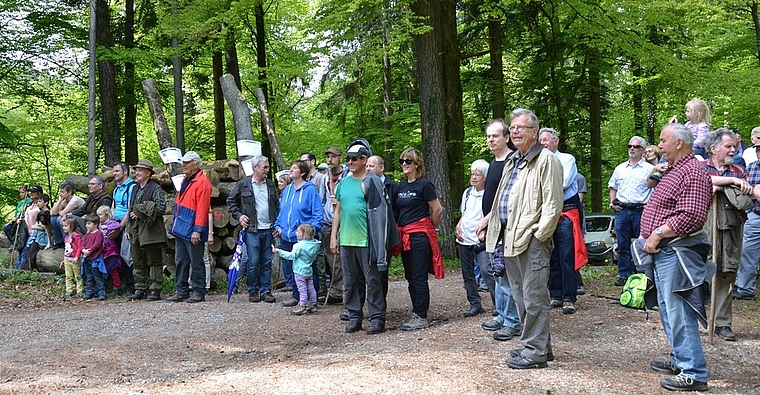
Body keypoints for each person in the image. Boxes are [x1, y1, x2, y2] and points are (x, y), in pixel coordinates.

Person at [480, 108, 563, 370]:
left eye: (521, 128)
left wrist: (540, 236)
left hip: (531, 240)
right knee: (521, 297)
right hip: (510, 238)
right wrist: (490, 223)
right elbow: (501, 199)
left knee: (534, 297)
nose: (514, 132)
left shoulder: (546, 160)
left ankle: (535, 352)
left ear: (535, 133)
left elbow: (552, 204)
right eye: (512, 128)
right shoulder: (513, 160)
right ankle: (539, 347)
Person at [639, 123, 712, 391]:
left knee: (679, 311)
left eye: (663, 141)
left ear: (679, 143)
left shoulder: (692, 171)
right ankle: (681, 360)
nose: (659, 146)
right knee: (669, 310)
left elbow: (692, 215)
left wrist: (657, 234)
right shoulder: (675, 170)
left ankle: (694, 372)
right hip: (666, 252)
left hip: (678, 251)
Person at [331, 142, 396, 335]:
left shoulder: (371, 181)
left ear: (364, 160)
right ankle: (354, 316)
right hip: (347, 240)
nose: (350, 162)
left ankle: (377, 318)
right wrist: (334, 237)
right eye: (348, 159)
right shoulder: (343, 182)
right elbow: (338, 211)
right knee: (350, 281)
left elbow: (380, 213)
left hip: (367, 240)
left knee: (373, 280)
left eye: (354, 159)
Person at [702, 128, 753, 341]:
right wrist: (729, 183)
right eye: (728, 146)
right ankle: (700, 320)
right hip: (704, 228)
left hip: (731, 228)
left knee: (727, 272)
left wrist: (722, 185)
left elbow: (748, 196)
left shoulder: (739, 171)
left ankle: (723, 323)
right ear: (713, 149)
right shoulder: (700, 167)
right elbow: (701, 183)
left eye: (734, 146)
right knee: (701, 271)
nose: (734, 149)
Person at [477, 119, 522, 342]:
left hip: (507, 227)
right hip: (494, 227)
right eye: (488, 136)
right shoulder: (494, 163)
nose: (491, 140)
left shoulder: (512, 162)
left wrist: (486, 220)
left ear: (507, 137)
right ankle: (503, 316)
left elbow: (506, 199)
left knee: (507, 276)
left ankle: (512, 321)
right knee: (497, 273)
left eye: (495, 136)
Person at [394, 147, 444, 331]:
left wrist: (429, 225)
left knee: (419, 276)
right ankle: (416, 310)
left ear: (417, 164)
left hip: (419, 237)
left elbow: (438, 210)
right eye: (402, 161)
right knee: (410, 277)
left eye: (408, 161)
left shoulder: (424, 185)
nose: (404, 165)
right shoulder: (401, 185)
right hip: (405, 236)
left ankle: (421, 316)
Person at [539, 127, 585, 315]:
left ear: (555, 141)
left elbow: (563, 183)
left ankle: (569, 297)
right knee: (553, 255)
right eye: (540, 140)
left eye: (546, 140)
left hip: (566, 211)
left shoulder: (567, 159)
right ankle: (556, 294)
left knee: (567, 254)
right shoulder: (536, 161)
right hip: (547, 213)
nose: (542, 143)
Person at [227, 155, 279, 304]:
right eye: (265, 167)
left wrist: (277, 224)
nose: (267, 170)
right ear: (255, 168)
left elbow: (277, 205)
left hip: (268, 229)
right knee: (253, 261)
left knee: (267, 261)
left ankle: (266, 291)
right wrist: (239, 216)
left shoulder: (270, 185)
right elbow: (231, 202)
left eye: (268, 167)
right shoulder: (243, 184)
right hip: (252, 230)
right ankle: (253, 290)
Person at [274, 160, 324, 308]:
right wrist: (278, 225)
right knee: (291, 267)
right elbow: (282, 211)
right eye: (291, 167)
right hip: (287, 235)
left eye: (294, 168)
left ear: (302, 172)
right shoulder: (287, 190)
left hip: (304, 239)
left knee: (308, 268)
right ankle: (297, 296)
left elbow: (318, 214)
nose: (291, 170)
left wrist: (311, 231)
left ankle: (311, 300)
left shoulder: (310, 190)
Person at [609, 136, 653, 286]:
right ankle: (624, 275)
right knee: (622, 244)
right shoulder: (620, 168)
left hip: (641, 210)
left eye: (636, 146)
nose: (632, 148)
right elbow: (612, 187)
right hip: (621, 210)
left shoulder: (649, 169)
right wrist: (612, 203)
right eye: (630, 146)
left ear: (642, 150)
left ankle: (643, 274)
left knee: (643, 243)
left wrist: (650, 206)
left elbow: (656, 188)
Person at [169, 152, 212, 303]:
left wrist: (197, 230)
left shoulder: (203, 182)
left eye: (187, 162)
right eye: (183, 162)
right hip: (181, 227)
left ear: (196, 164)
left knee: (196, 261)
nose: (184, 165)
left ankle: (199, 292)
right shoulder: (186, 180)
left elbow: (202, 209)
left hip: (192, 229)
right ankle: (182, 291)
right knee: (180, 260)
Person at [125, 159, 168, 302]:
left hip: (151, 230)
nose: (137, 173)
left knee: (153, 260)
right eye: (136, 170)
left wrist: (142, 211)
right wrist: (127, 228)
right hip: (135, 229)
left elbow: (161, 208)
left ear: (148, 173)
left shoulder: (156, 188)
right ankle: (140, 289)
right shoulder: (135, 188)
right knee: (137, 259)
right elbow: (130, 208)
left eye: (140, 170)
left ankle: (155, 290)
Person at [455, 159, 490, 318]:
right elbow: (465, 213)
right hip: (464, 238)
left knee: (486, 270)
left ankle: (499, 304)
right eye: (472, 174)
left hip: (481, 239)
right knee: (467, 274)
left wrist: (484, 230)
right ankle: (475, 304)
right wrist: (458, 225)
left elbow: (491, 214)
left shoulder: (489, 193)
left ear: (485, 177)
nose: (474, 177)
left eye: (478, 174)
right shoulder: (467, 192)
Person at [274, 224, 321, 315]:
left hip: (299, 271)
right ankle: (313, 304)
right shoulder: (314, 245)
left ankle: (302, 305)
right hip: (308, 270)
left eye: (298, 231)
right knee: (311, 288)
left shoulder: (298, 246)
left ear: (304, 234)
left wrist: (279, 251)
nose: (296, 233)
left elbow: (291, 256)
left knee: (302, 289)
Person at [319, 147, 346, 305]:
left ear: (339, 158)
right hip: (329, 222)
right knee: (331, 258)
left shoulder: (347, 176)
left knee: (345, 258)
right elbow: (322, 199)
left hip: (346, 222)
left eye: (333, 157)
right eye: (328, 157)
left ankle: (346, 289)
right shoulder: (325, 178)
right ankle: (336, 290)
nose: (330, 160)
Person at [735, 141, 760, 301]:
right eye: (757, 149)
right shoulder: (751, 167)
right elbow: (745, 191)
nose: (758, 152)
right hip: (755, 215)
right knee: (747, 252)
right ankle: (745, 288)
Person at [300, 151, 327, 298]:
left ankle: (322, 287)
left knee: (319, 256)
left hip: (316, 224)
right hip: (304, 226)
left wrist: (316, 223)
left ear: (313, 161)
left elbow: (322, 201)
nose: (302, 163)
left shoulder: (320, 178)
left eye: (305, 160)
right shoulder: (304, 179)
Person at [111, 162, 136, 295]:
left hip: (126, 225)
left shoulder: (131, 187)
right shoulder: (116, 188)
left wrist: (121, 227)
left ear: (125, 171)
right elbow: (113, 207)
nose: (114, 173)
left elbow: (130, 208)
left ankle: (131, 285)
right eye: (114, 171)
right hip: (115, 223)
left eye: (117, 171)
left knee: (127, 255)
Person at [50, 182, 85, 250]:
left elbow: (63, 213)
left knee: (59, 219)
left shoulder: (75, 199)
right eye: (60, 192)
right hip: (71, 218)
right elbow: (52, 213)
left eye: (63, 192)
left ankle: (68, 241)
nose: (61, 194)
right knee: (53, 219)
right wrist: (59, 201)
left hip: (81, 220)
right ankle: (59, 242)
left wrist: (61, 213)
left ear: (69, 192)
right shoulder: (64, 201)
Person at [15, 185, 43, 270]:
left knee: (25, 252)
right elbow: (25, 216)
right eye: (31, 192)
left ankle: (22, 271)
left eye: (33, 192)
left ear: (39, 193)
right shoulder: (29, 204)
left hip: (35, 232)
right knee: (20, 250)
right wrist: (20, 220)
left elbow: (44, 219)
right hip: (25, 231)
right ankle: (16, 270)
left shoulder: (41, 205)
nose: (31, 193)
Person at [97, 206, 122, 296]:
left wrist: (107, 227)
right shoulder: (98, 225)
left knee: (113, 269)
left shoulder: (111, 222)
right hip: (102, 251)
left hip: (111, 251)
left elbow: (117, 225)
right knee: (102, 269)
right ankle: (103, 288)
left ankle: (117, 287)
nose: (98, 216)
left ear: (106, 214)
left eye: (100, 214)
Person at [81, 213, 107, 301]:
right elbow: (82, 243)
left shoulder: (99, 233)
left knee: (97, 276)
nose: (87, 226)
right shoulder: (87, 235)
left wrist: (89, 251)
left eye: (89, 224)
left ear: (95, 224)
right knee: (89, 276)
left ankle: (101, 293)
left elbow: (97, 244)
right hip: (87, 259)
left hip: (95, 259)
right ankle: (89, 292)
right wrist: (83, 250)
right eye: (86, 224)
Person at [24, 194, 52, 271]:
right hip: (37, 236)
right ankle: (29, 269)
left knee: (30, 254)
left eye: (40, 201)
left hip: (42, 238)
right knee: (29, 254)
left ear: (46, 203)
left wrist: (39, 226)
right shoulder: (41, 213)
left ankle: (30, 270)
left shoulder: (48, 213)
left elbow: (47, 228)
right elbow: (37, 226)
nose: (38, 203)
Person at [59, 217, 83, 298]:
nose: (63, 228)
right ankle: (69, 289)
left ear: (71, 226)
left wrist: (77, 257)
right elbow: (66, 249)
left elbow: (80, 247)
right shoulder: (66, 237)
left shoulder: (76, 236)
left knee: (77, 275)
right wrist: (63, 259)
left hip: (74, 259)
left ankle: (80, 289)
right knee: (68, 275)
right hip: (67, 259)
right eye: (63, 226)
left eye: (65, 226)